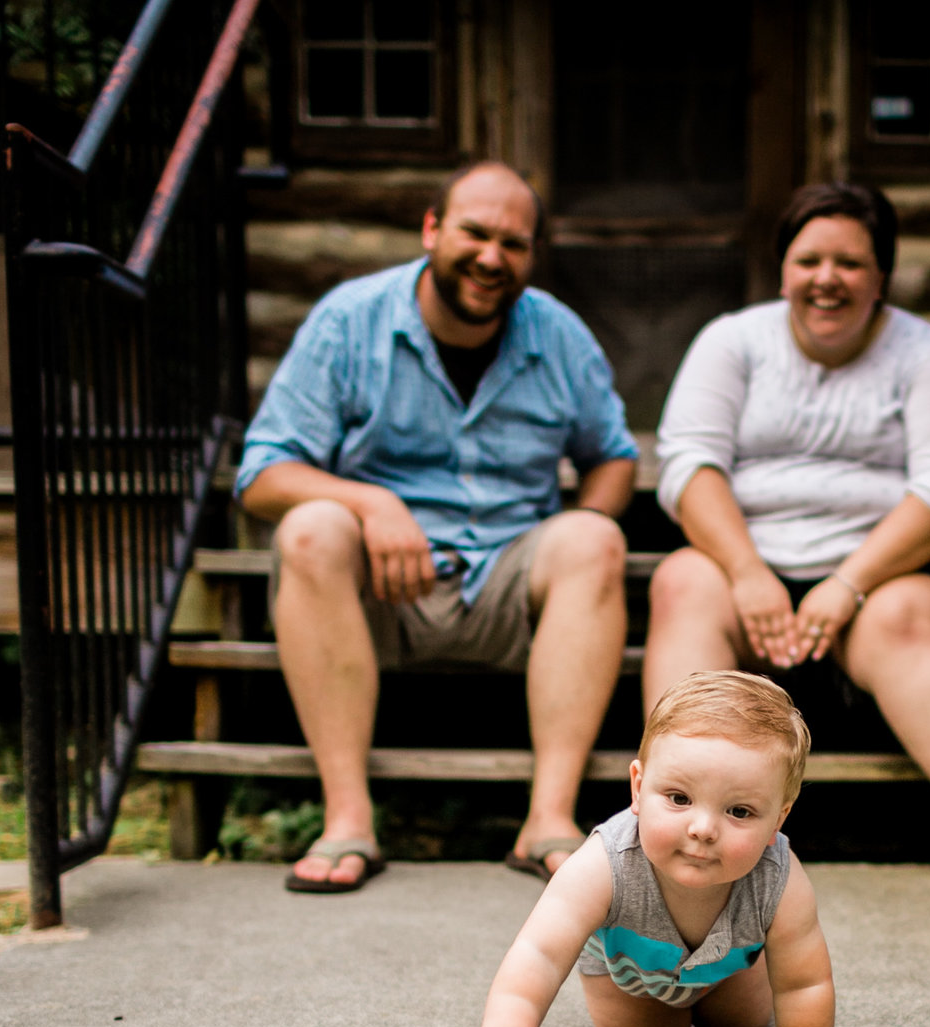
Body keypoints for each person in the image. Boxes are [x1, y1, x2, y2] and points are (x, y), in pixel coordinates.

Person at [238, 161, 639, 892]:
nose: (492, 257)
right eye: (474, 233)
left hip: (508, 587)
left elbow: (612, 457)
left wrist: (582, 520)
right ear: (431, 229)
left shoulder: (560, 333)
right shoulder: (347, 319)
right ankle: (347, 819)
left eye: (513, 243)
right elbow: (262, 475)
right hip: (377, 594)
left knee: (594, 538)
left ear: (532, 255)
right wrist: (371, 503)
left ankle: (548, 819)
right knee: (310, 527)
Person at [643, 181, 930, 899]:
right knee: (681, 583)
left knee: (897, 618)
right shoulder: (731, 341)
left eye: (850, 263)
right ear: (783, 268)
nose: (827, 279)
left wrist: (849, 583)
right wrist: (747, 570)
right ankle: (668, 824)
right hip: (745, 556)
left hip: (888, 566)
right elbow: (689, 465)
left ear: (880, 276)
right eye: (809, 259)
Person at [457, 671, 836, 1027]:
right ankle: (660, 1014)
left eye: (739, 811)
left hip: (727, 966)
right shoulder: (604, 863)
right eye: (678, 798)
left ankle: (719, 996)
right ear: (639, 787)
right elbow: (539, 951)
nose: (702, 828)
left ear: (779, 817)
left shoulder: (779, 876)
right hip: (630, 974)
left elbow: (804, 982)